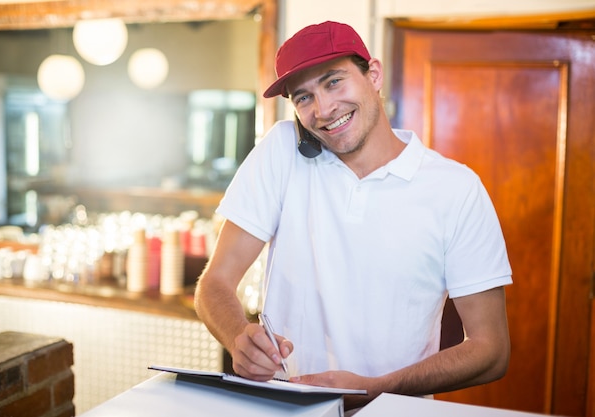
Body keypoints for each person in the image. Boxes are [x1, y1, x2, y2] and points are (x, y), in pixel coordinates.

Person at [194, 20, 512, 412]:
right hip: (285, 407)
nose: (324, 110)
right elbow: (214, 283)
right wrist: (238, 336)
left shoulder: (456, 189)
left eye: (333, 82)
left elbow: (491, 350)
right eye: (303, 98)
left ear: (373, 75)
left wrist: (376, 388)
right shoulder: (281, 150)